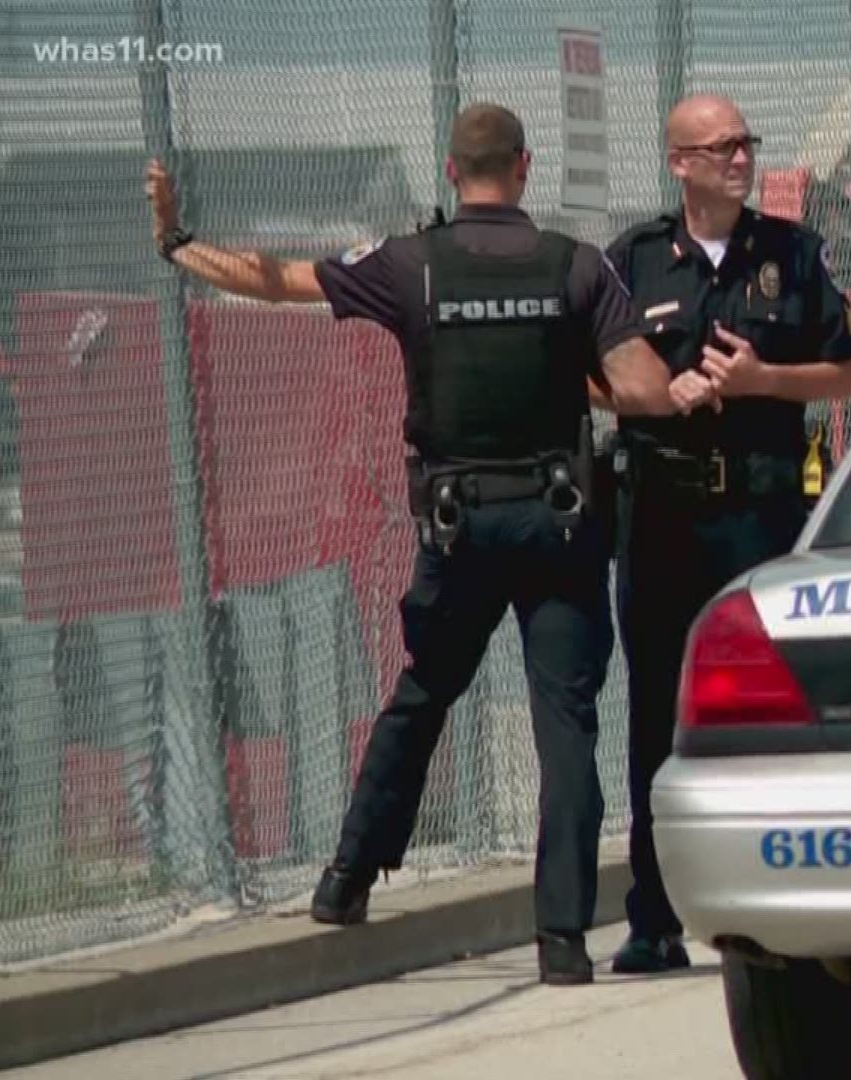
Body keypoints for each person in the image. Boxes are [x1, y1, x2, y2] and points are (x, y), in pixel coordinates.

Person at [143, 102, 714, 985]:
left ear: (452, 173)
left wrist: (178, 243)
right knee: (566, 725)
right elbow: (643, 390)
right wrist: (584, 375)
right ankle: (563, 943)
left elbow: (276, 280)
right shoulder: (576, 266)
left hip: (460, 530)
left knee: (422, 695)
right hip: (560, 524)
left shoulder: (412, 265)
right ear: (524, 168)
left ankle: (346, 877)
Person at [601, 94, 851, 974]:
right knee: (655, 712)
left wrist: (759, 381)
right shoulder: (634, 260)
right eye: (720, 148)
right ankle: (653, 916)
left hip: (759, 512)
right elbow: (587, 375)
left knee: (776, 704)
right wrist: (650, 396)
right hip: (663, 514)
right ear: (679, 162)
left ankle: (785, 908)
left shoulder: (788, 256)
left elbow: (847, 371)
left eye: (747, 144)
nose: (740, 159)